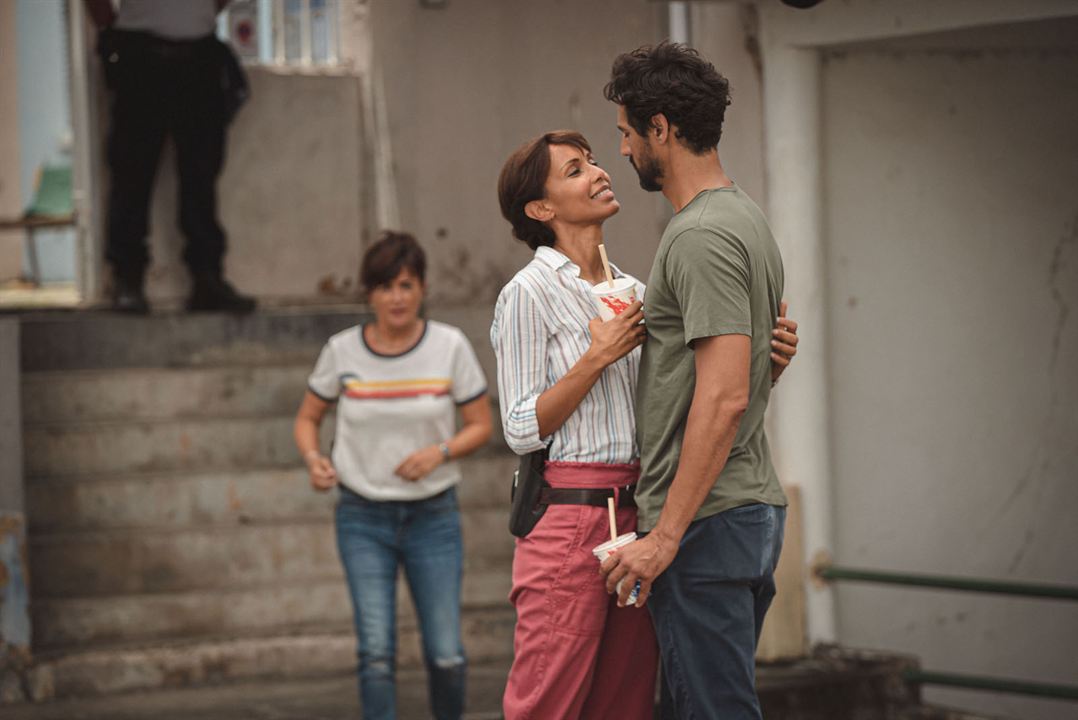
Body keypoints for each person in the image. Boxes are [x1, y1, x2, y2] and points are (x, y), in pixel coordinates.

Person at [492, 131, 799, 719]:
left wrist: (766, 368)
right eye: (576, 170)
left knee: (626, 702)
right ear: (541, 209)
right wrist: (596, 357)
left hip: (640, 513)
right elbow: (519, 426)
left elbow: (681, 401)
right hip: (567, 515)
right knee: (546, 702)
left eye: (595, 161)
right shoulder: (526, 293)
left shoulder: (637, 290)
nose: (601, 172)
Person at [599, 42, 794, 720]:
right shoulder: (744, 218)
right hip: (738, 511)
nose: (622, 151)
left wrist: (664, 536)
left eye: (626, 132)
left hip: (708, 521)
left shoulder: (700, 235)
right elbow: (737, 376)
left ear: (660, 127)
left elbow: (725, 395)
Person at [294, 231, 493, 720]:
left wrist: (440, 452)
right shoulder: (342, 352)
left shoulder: (449, 346)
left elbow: (483, 425)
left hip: (433, 517)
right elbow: (307, 418)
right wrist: (314, 458)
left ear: (422, 287)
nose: (396, 298)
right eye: (384, 287)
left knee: (446, 653)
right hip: (362, 516)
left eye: (405, 285)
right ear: (369, 294)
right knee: (376, 654)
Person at [84, 0, 256, 313]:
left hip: (199, 55)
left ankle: (207, 278)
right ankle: (128, 277)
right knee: (131, 172)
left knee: (201, 175)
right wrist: (110, 28)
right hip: (139, 55)